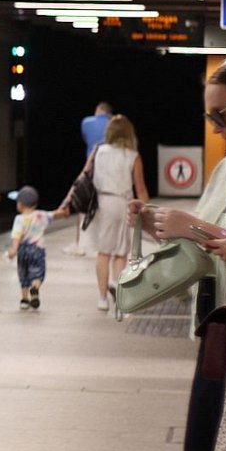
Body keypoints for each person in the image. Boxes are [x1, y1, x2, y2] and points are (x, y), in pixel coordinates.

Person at [128, 61, 226, 451]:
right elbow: (201, 254)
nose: (215, 126)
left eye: (224, 114)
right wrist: (162, 228)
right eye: (210, 115)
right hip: (221, 334)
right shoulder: (225, 172)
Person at [69, 114, 149, 314]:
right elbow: (140, 188)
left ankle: (102, 298)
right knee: (121, 252)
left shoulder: (98, 151)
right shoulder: (133, 156)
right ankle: (117, 287)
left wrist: (68, 200)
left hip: (102, 204)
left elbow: (83, 175)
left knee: (103, 252)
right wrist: (147, 211)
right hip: (124, 203)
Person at [4, 186, 67, 310]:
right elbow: (54, 215)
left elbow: (17, 235)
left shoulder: (19, 219)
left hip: (23, 251)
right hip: (37, 250)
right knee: (37, 273)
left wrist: (13, 250)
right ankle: (35, 288)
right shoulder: (41, 215)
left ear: (21, 204)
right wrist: (63, 212)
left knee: (23, 274)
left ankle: (24, 299)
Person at [67, 102, 113, 257]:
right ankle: (106, 242)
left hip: (92, 169)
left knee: (83, 203)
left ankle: (80, 244)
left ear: (98, 111)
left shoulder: (86, 122)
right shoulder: (114, 123)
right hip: (111, 170)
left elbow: (87, 139)